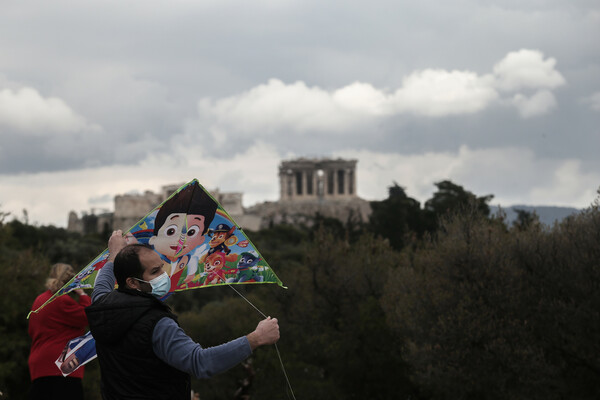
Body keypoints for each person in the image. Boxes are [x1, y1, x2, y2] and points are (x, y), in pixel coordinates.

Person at [85, 230, 280, 400]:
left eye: (161, 266)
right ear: (133, 282)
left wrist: (115, 256)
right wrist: (256, 338)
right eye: (155, 271)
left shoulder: (102, 307)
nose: (164, 274)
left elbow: (103, 283)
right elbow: (200, 362)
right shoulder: (157, 324)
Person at [28, 263, 91, 400]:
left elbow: (32, 330)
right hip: (61, 366)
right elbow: (89, 316)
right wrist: (82, 294)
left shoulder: (39, 300)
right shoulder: (62, 301)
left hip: (39, 366)